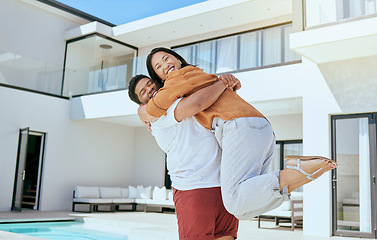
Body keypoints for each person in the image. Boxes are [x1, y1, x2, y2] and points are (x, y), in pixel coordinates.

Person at [138, 47, 338, 220]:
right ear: (158, 74)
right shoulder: (200, 74)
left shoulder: (175, 79)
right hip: (261, 128)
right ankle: (304, 175)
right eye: (158, 66)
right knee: (242, 211)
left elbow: (154, 109)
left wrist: (144, 113)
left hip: (237, 126)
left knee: (233, 201)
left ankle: (296, 169)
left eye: (166, 59)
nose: (165, 65)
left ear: (177, 59)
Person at [128, 73, 241, 240]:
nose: (149, 89)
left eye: (150, 84)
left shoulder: (182, 96)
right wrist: (222, 82)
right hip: (193, 187)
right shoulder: (157, 115)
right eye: (143, 92)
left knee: (226, 236)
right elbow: (197, 103)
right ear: (141, 103)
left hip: (223, 184)